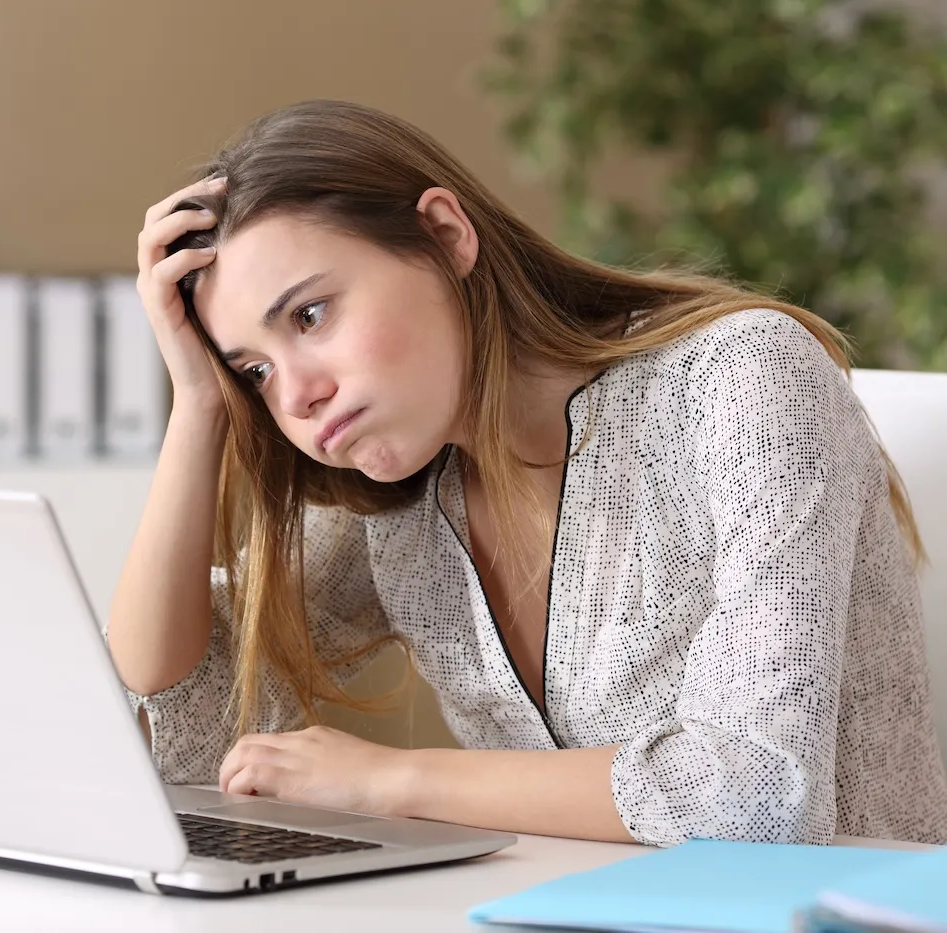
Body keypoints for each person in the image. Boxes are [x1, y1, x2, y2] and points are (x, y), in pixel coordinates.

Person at [103, 99, 947, 847]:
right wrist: (199, 402)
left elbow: (760, 792)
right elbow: (190, 704)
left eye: (311, 314)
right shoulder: (407, 498)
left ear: (446, 234)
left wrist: (396, 781)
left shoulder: (737, 379)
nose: (298, 393)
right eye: (253, 369)